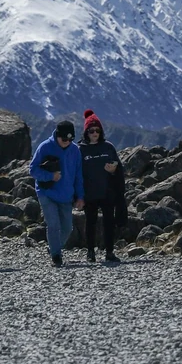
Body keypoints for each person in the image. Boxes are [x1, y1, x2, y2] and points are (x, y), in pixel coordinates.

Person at [29, 120, 84, 267]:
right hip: (46, 192)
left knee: (67, 228)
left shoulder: (75, 150)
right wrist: (50, 177)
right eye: (64, 139)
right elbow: (33, 170)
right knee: (53, 224)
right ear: (57, 135)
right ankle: (56, 256)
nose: (67, 142)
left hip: (66, 195)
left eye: (70, 139)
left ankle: (54, 247)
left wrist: (80, 196)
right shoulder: (45, 147)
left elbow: (79, 175)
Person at [78, 110, 124, 263]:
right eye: (91, 130)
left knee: (109, 223)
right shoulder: (80, 149)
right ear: (86, 132)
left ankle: (109, 252)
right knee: (90, 222)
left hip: (107, 192)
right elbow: (76, 172)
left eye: (97, 130)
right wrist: (78, 195)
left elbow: (119, 169)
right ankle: (90, 252)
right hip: (89, 192)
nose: (95, 133)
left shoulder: (108, 147)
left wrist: (114, 171)